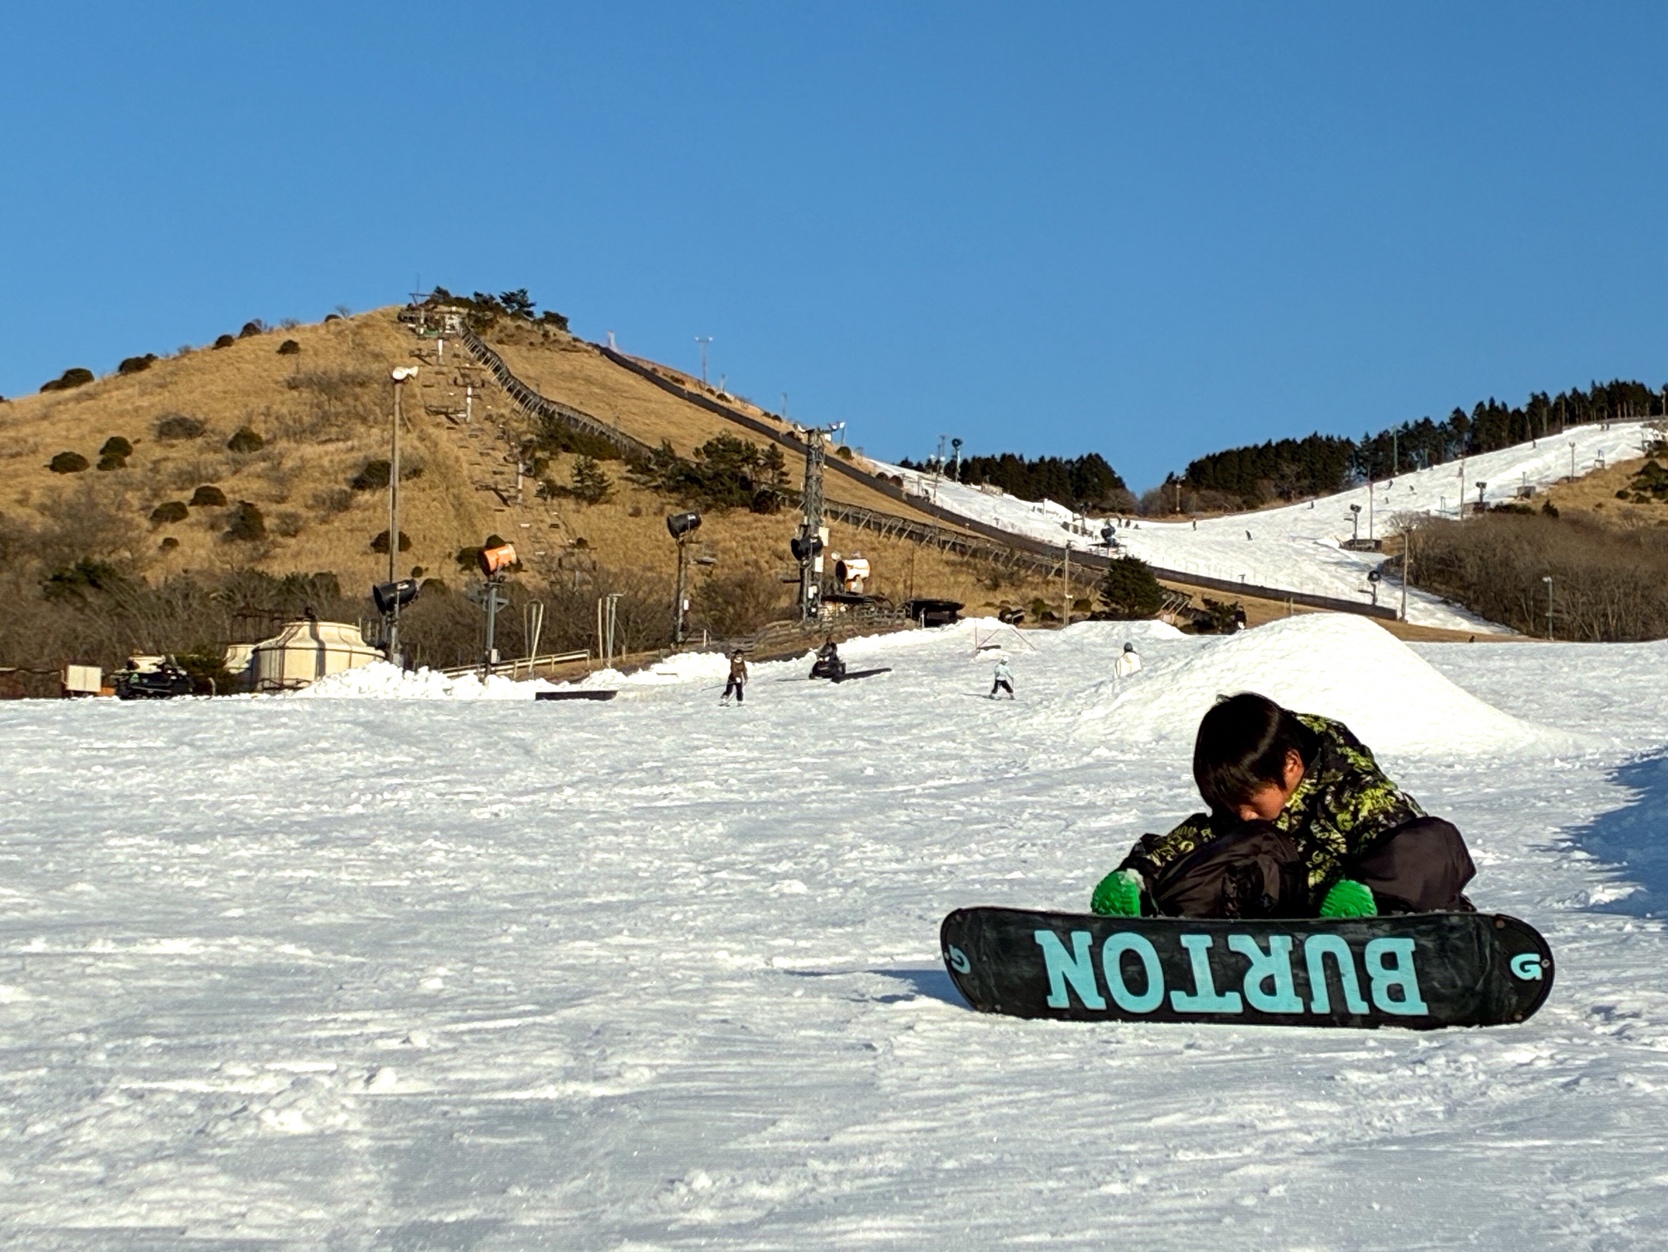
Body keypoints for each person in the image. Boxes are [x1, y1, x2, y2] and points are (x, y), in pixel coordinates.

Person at [1090, 692, 1475, 920]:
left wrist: (1367, 892)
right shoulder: (1245, 814)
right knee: (1235, 846)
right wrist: (1140, 875)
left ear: (1291, 765)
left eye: (1251, 801)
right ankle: (1160, 925)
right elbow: (1198, 840)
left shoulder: (1352, 791)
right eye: (1231, 805)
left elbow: (1425, 850)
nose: (1242, 814)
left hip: (1384, 924)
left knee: (1430, 842)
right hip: (1289, 928)